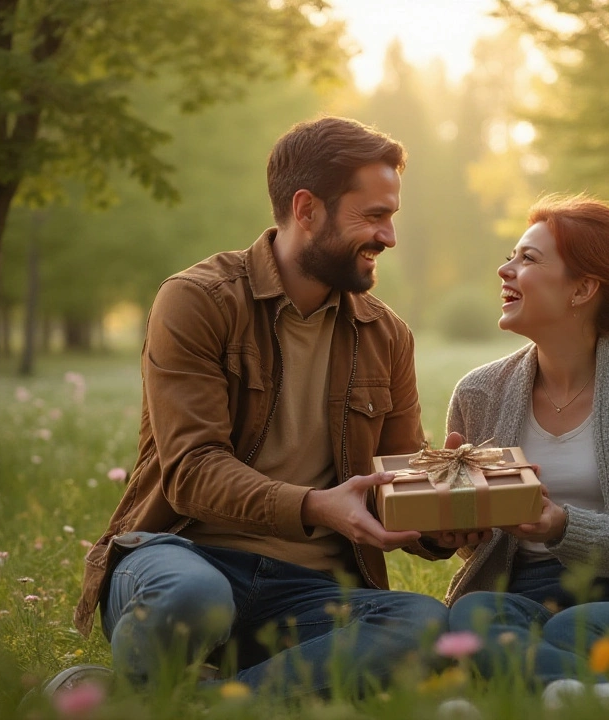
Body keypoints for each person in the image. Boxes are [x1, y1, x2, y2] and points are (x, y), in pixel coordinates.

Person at [54, 116, 450, 699]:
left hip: (309, 592)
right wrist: (317, 507)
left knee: (422, 622)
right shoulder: (198, 301)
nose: (389, 236)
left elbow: (395, 482)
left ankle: (180, 704)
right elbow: (190, 471)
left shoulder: (386, 335)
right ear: (307, 209)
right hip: (184, 558)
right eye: (373, 216)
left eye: (391, 216)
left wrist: (458, 509)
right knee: (195, 597)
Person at [437, 195, 609, 691]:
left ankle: (536, 681)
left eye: (528, 259)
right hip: (516, 593)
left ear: (583, 288)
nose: (505, 270)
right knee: (475, 610)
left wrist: (562, 525)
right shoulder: (479, 392)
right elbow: (474, 550)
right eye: (511, 255)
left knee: (573, 627)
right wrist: (461, 524)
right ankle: (591, 695)